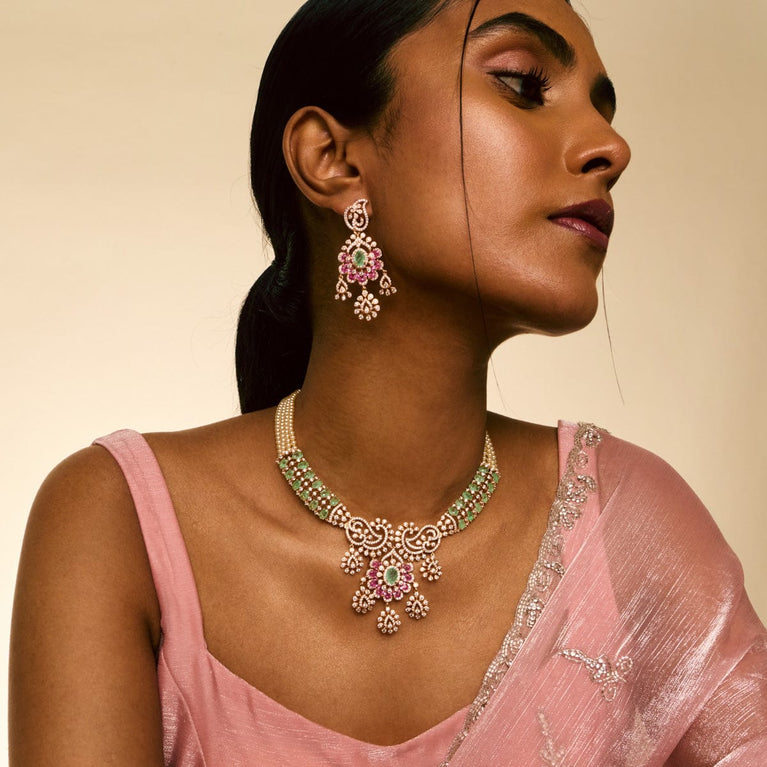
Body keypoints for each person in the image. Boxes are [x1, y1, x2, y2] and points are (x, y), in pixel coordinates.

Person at [9, 0, 767, 764]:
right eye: (523, 83)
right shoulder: (120, 524)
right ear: (332, 159)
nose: (611, 147)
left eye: (604, 111)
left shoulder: (625, 528)